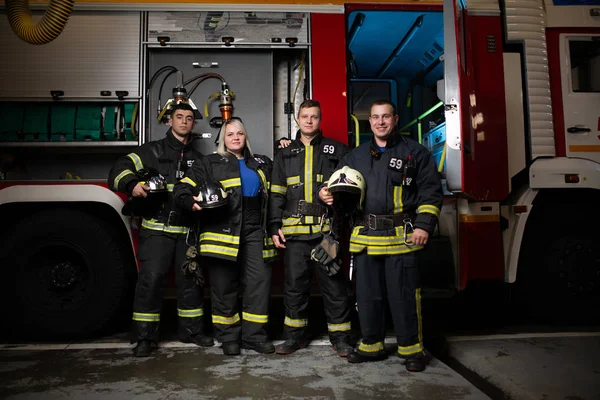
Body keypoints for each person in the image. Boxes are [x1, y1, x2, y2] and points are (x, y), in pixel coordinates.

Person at [320, 99, 443, 372]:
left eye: (386, 116)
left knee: (404, 296)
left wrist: (423, 225)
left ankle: (411, 349)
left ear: (395, 119)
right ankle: (371, 346)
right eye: (375, 117)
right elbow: (336, 183)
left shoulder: (416, 153)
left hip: (402, 237)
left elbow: (430, 192)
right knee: (367, 296)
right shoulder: (356, 156)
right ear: (370, 122)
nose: (380, 122)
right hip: (366, 237)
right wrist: (324, 192)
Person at [108, 103, 214, 357]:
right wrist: (131, 183)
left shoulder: (200, 160)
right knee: (151, 281)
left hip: (187, 231)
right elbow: (117, 169)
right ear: (169, 121)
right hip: (157, 230)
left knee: (190, 282)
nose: (185, 122)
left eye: (189, 118)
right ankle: (145, 337)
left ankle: (192, 331)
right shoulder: (151, 151)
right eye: (179, 117)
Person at [174, 119, 277, 356]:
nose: (236, 137)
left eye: (240, 132)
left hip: (254, 229)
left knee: (258, 284)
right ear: (223, 138)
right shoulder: (208, 162)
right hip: (221, 229)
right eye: (230, 133)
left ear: (245, 136)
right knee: (223, 286)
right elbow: (182, 188)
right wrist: (191, 203)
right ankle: (228, 336)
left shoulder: (262, 163)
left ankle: (254, 336)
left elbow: (278, 189)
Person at [268, 99, 353, 357]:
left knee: (335, 287)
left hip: (326, 233)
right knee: (294, 288)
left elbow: (351, 190)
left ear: (320, 119)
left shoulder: (338, 150)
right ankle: (294, 337)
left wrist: (335, 197)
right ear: (297, 118)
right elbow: (276, 194)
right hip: (294, 236)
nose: (308, 121)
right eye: (304, 116)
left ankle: (341, 340)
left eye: (314, 116)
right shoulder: (284, 154)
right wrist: (273, 226)